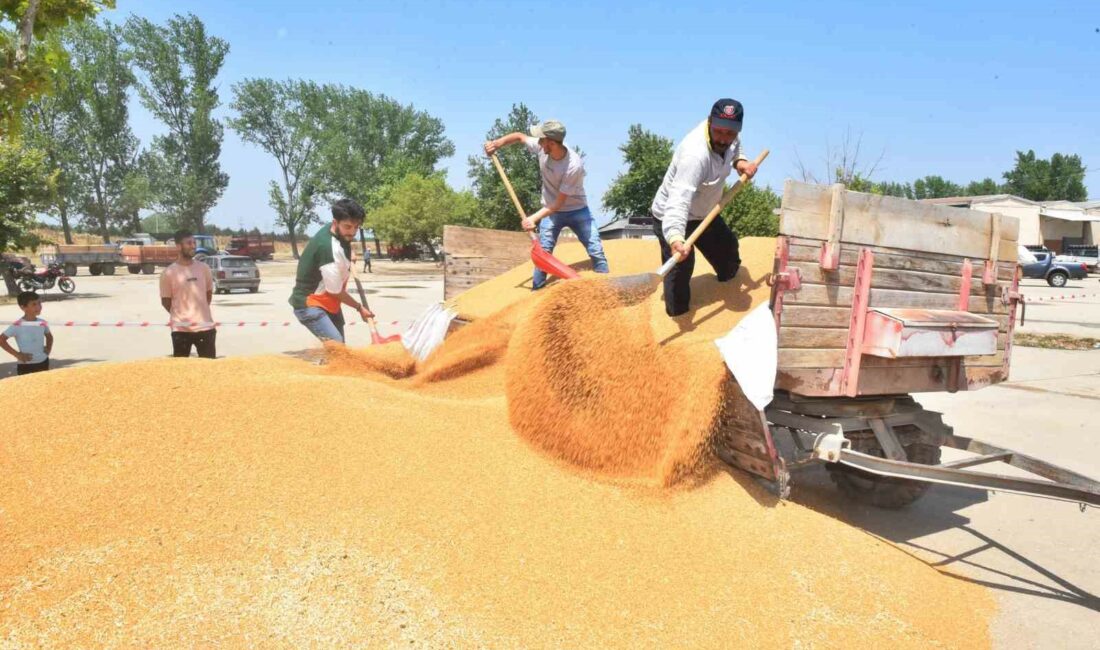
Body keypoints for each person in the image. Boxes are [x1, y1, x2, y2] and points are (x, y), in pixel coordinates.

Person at [650, 98, 759, 316]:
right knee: (680, 268)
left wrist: (741, 163)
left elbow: (736, 150)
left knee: (728, 252)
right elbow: (678, 201)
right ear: (710, 122)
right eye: (719, 132)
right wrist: (675, 239)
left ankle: (726, 284)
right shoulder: (694, 155)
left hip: (706, 213)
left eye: (730, 134)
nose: (724, 139)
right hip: (672, 216)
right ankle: (677, 316)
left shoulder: (731, 137)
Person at [484, 119, 609, 289]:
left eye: (542, 140)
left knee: (596, 250)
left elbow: (558, 203)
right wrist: (496, 144)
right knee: (543, 255)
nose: (539, 143)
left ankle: (605, 288)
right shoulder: (542, 147)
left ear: (551, 142)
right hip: (551, 211)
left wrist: (533, 218)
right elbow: (520, 137)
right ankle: (537, 292)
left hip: (577, 210)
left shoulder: (574, 165)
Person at [290, 199, 374, 343]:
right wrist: (359, 308)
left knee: (337, 351)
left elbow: (343, 243)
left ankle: (327, 364)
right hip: (310, 304)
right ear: (335, 223)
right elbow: (335, 291)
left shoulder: (336, 231)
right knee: (338, 347)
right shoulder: (328, 250)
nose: (352, 232)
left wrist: (348, 255)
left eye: (356, 227)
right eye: (348, 227)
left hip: (330, 303)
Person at [160, 229, 217, 358]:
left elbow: (208, 295)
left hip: (205, 327)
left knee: (209, 370)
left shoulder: (204, 269)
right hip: (181, 329)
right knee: (181, 372)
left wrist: (198, 312)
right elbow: (166, 302)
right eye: (189, 243)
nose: (193, 246)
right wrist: (182, 314)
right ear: (179, 246)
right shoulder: (168, 273)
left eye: (194, 242)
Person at [1, 291, 52, 375]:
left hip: (43, 362)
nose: (38, 307)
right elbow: (1, 340)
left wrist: (48, 349)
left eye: (39, 303)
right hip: (26, 365)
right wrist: (17, 355)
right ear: (23, 307)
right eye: (34, 304)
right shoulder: (17, 325)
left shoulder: (42, 322)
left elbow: (49, 337)